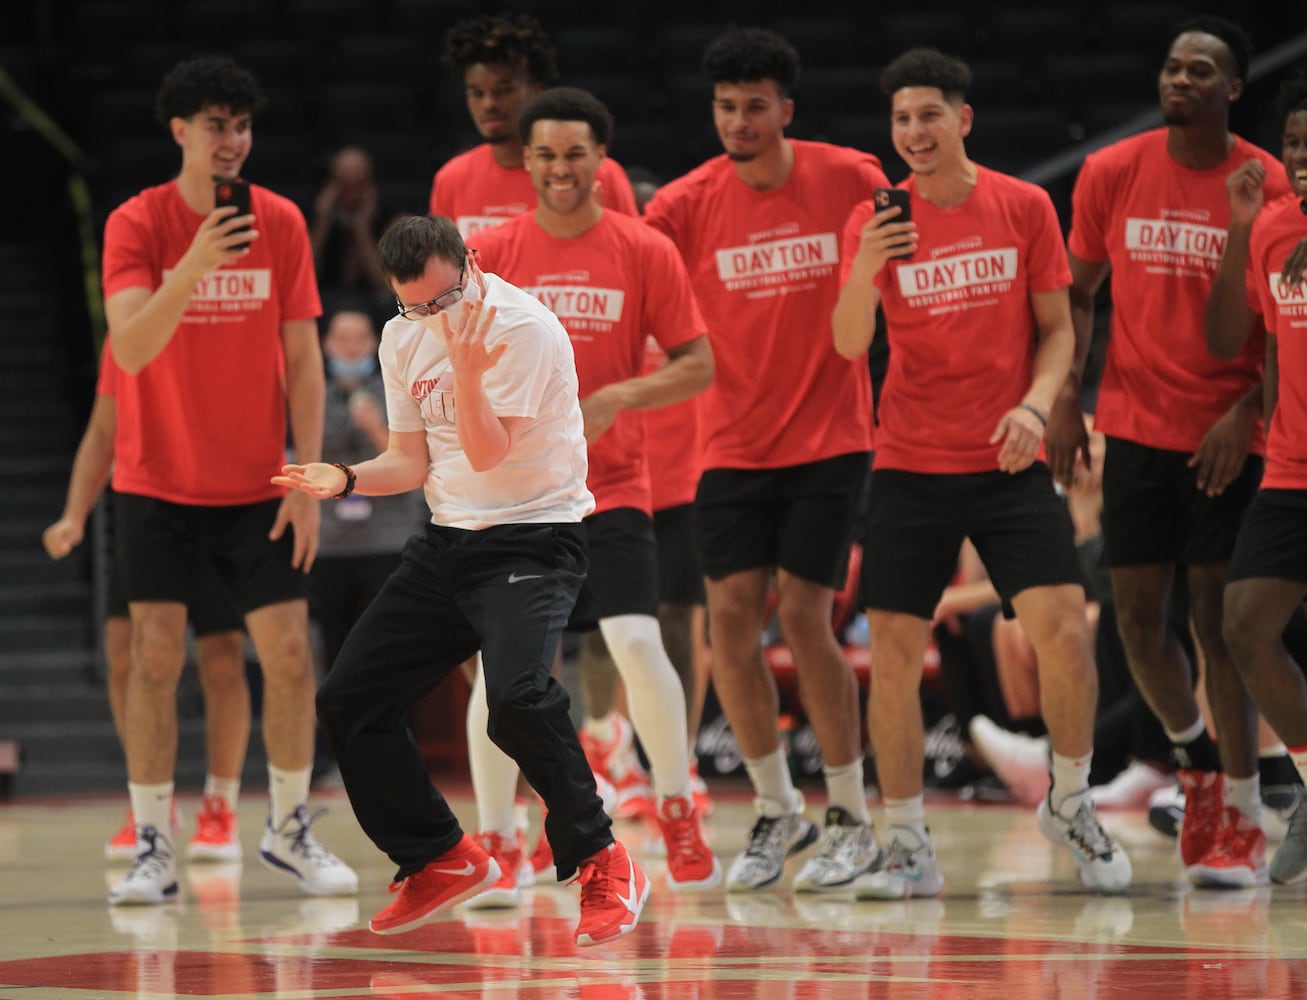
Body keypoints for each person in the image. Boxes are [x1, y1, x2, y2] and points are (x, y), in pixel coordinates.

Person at [275, 214, 650, 947]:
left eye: (443, 302)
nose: (430, 319)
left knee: (516, 701)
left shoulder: (526, 330)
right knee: (350, 699)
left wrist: (469, 373)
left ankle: (603, 858)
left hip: (534, 537)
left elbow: (484, 453)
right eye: (414, 306)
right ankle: (438, 857)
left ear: (470, 263)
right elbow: (411, 462)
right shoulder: (400, 334)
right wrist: (345, 476)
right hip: (449, 541)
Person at [832, 47, 1132, 898]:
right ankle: (904, 842)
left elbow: (1059, 330)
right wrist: (864, 264)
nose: (913, 132)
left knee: (1067, 632)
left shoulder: (1022, 204)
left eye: (929, 114)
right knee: (891, 655)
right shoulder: (879, 218)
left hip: (1008, 458)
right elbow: (850, 343)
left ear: (962, 119)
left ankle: (1071, 802)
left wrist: (1036, 407)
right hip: (909, 463)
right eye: (900, 119)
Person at [101, 55, 356, 904]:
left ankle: (286, 830)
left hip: (260, 484)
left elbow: (304, 362)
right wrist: (195, 263)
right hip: (157, 481)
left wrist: (307, 475)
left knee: (287, 656)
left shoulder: (280, 222)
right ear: (179, 131)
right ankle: (152, 843)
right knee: (154, 658)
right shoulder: (136, 225)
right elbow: (131, 348)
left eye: (241, 126)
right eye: (216, 125)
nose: (232, 141)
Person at [643, 26, 889, 893]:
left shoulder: (852, 177)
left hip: (828, 438)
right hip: (729, 444)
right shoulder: (680, 204)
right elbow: (631, 274)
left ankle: (851, 814)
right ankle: (777, 806)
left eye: (754, 106)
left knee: (807, 618)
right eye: (724, 106)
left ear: (786, 109)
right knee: (729, 626)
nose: (738, 120)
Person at [1054, 15, 1291, 888]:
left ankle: (1236, 809)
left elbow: (1285, 332)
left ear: (1233, 88)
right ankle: (1192, 765)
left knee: (1215, 626)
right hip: (1133, 427)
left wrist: (1246, 411)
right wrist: (1067, 402)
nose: (1179, 80)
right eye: (1170, 67)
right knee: (1136, 620)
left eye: (1200, 70)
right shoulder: (1111, 171)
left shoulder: (1265, 182)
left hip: (1229, 439)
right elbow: (1076, 295)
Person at [470, 86, 720, 898]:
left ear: (600, 159)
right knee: (496, 673)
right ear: (528, 161)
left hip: (611, 488)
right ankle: (500, 838)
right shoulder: (498, 253)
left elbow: (695, 364)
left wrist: (617, 398)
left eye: (575, 153)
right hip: (517, 496)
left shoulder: (643, 249)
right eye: (544, 154)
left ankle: (676, 803)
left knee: (640, 643)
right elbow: (455, 363)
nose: (559, 168)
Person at [43, 341, 252, 863]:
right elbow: (101, 429)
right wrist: (74, 514)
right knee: (124, 652)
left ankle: (220, 806)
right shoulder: (130, 329)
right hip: (146, 508)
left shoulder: (222, 326)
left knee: (223, 655)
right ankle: (149, 802)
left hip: (216, 506)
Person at [1209, 71, 1307, 884]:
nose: (1302, 159)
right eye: (1293, 145)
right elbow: (1267, 344)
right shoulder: (1275, 229)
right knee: (1243, 622)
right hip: (1291, 467)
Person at [430, 13, 637, 238]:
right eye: (477, 93)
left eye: (504, 90)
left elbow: (633, 255)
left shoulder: (600, 173)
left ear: (536, 90)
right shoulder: (451, 179)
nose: (488, 104)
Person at [309, 147, 390, 299]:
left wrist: (361, 228)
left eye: (358, 186)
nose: (351, 196)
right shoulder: (315, 218)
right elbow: (304, 279)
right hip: (324, 303)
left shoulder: (391, 222)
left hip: (375, 307)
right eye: (344, 186)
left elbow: (385, 285)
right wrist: (322, 224)